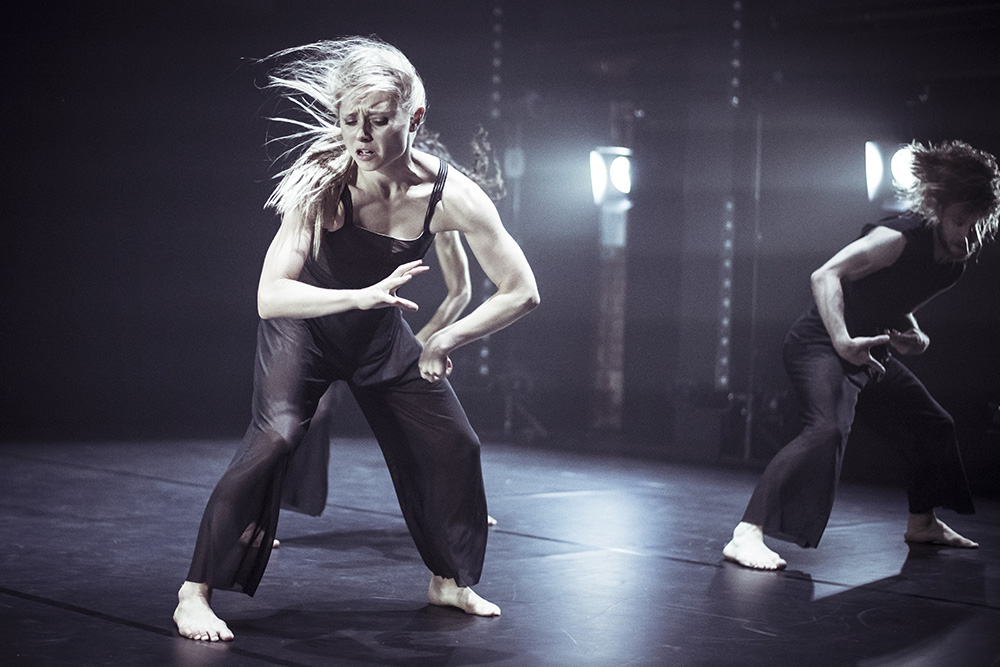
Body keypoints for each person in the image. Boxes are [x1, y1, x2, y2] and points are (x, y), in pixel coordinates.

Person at [173, 36, 539, 641]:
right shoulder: (324, 177)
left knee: (457, 443)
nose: (360, 137)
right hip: (304, 329)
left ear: (413, 119)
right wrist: (360, 296)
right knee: (278, 434)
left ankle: (449, 579)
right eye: (349, 121)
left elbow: (521, 289)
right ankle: (195, 591)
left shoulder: (453, 196)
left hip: (377, 337)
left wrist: (444, 340)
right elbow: (270, 297)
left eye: (377, 120)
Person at [723, 139, 1000, 570]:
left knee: (933, 424)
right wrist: (841, 341)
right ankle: (747, 534)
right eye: (960, 221)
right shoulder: (899, 237)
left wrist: (913, 335)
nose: (968, 234)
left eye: (978, 223)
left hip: (867, 353)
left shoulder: (953, 265)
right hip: (819, 343)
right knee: (826, 429)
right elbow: (826, 275)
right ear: (937, 210)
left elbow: (891, 299)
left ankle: (922, 522)